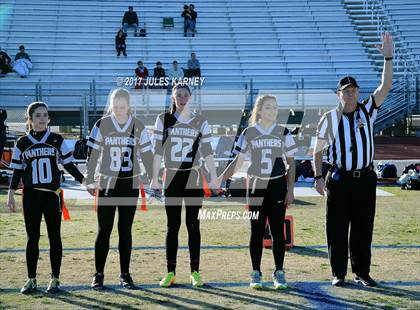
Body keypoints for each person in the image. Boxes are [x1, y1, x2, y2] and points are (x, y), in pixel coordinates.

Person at [313, 33, 393, 287]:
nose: (351, 95)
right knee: (336, 228)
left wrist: (388, 58)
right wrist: (317, 177)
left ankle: (362, 272)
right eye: (346, 92)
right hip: (339, 179)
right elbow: (316, 150)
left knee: (363, 227)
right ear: (338, 94)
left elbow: (385, 87)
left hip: (365, 178)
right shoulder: (329, 118)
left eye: (354, 91)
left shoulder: (368, 109)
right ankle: (338, 273)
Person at [217, 95, 297, 289]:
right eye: (268, 107)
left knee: (278, 232)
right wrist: (220, 179)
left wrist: (291, 190)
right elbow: (237, 162)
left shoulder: (284, 132)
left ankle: (279, 272)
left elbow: (291, 163)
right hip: (256, 187)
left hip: (278, 186)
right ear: (259, 110)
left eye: (275, 107)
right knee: (257, 231)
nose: (272, 111)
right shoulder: (249, 132)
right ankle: (256, 272)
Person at [7, 102, 85, 294]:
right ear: (30, 119)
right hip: (31, 196)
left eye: (45, 115)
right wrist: (10, 194)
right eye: (38, 115)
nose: (42, 119)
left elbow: (69, 165)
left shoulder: (56, 139)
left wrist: (85, 182)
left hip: (52, 196)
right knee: (32, 238)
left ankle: (55, 278)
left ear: (49, 118)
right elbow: (16, 172)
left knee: (54, 237)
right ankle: (31, 279)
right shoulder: (22, 143)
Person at [86, 88, 154, 290]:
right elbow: (93, 153)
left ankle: (125, 274)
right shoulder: (103, 124)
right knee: (104, 230)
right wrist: (89, 179)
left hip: (129, 182)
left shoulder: (138, 125)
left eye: (123, 107)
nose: (119, 110)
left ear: (129, 106)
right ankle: (98, 274)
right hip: (107, 182)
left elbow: (148, 155)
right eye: (115, 107)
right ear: (111, 106)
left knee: (125, 230)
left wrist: (153, 179)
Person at [151, 84, 218, 288]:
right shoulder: (163, 119)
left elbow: (207, 151)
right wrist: (154, 178)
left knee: (193, 226)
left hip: (193, 177)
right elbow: (157, 151)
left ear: (191, 97)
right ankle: (170, 272)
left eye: (185, 95)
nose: (182, 98)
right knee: (172, 227)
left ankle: (195, 272)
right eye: (178, 95)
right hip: (171, 176)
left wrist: (214, 177)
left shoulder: (200, 120)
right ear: (173, 98)